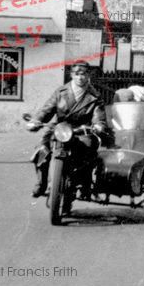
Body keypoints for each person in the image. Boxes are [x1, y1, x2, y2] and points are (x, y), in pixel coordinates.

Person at [27, 61, 114, 198]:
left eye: (83, 74)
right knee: (42, 149)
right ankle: (41, 183)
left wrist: (98, 125)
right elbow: (47, 109)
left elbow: (99, 116)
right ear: (72, 75)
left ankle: (82, 184)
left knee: (88, 150)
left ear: (88, 75)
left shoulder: (94, 96)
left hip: (81, 131)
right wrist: (36, 121)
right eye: (77, 74)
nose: (80, 77)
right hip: (60, 129)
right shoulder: (61, 92)